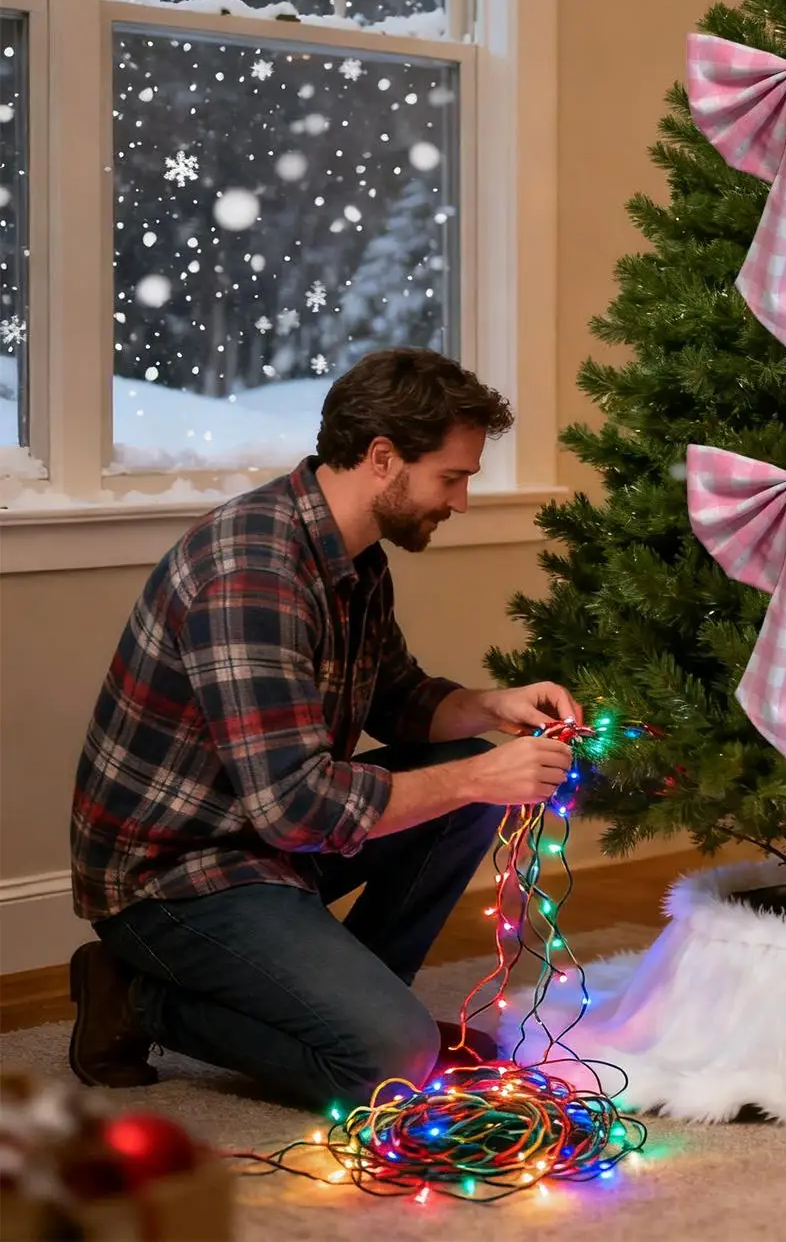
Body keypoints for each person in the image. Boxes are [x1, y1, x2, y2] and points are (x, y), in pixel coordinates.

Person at [68, 348, 583, 1109]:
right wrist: (479, 776)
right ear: (382, 458)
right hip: (175, 876)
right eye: (453, 476)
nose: (462, 500)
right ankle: (137, 996)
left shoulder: (353, 557)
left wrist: (490, 704)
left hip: (263, 845)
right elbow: (297, 809)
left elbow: (400, 700)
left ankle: (357, 1002)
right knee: (392, 1068)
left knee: (469, 770)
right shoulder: (253, 571)